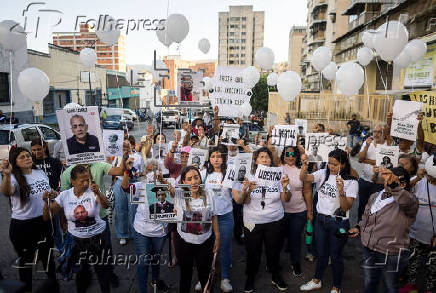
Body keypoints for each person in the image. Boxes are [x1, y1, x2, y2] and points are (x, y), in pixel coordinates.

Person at [348, 167, 418, 293]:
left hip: (391, 253)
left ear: (404, 184)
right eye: (386, 180)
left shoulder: (410, 201)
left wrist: (394, 186)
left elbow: (406, 201)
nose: (387, 183)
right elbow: (366, 217)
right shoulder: (375, 196)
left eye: (391, 181)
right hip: (368, 249)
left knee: (390, 286)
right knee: (370, 281)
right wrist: (359, 228)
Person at [43, 164, 111, 293]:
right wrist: (46, 203)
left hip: (98, 239)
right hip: (77, 241)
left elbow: (106, 205)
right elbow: (47, 216)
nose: (86, 183)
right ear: (73, 181)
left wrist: (98, 192)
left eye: (87, 180)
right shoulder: (65, 195)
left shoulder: (93, 192)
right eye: (82, 180)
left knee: (102, 272)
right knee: (81, 273)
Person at [232, 147, 291, 292]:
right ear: (256, 160)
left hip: (275, 220)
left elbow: (286, 199)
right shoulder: (249, 176)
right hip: (252, 222)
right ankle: (250, 277)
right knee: (253, 251)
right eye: (261, 156)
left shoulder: (279, 175)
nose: (264, 159)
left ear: (271, 160)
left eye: (267, 157)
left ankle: (275, 274)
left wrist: (285, 188)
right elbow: (242, 202)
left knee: (274, 251)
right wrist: (248, 190)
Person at [300, 149, 358, 293]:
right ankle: (316, 280)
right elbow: (304, 178)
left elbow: (346, 207)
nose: (331, 167)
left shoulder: (351, 181)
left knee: (336, 255)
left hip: (338, 223)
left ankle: (336, 286)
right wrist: (304, 165)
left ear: (343, 164)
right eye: (330, 163)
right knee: (322, 253)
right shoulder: (323, 173)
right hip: (320, 220)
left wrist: (341, 191)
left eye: (335, 164)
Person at [0, 148, 57, 292]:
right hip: (23, 227)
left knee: (48, 261)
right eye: (22, 157)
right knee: (26, 264)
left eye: (28, 156)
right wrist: (6, 176)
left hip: (44, 222)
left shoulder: (40, 172)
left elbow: (50, 191)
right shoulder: (12, 177)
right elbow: (7, 192)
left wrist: (56, 194)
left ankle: (54, 288)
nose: (27, 158)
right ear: (15, 162)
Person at [167, 166, 220, 293]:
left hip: (205, 242)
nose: (194, 182)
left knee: (205, 275)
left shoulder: (209, 193)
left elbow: (214, 216)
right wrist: (161, 180)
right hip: (184, 243)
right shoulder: (179, 194)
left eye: (196, 177)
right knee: (185, 275)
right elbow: (169, 190)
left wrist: (217, 237)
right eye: (189, 179)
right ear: (183, 182)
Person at [121, 159, 170, 293]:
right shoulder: (140, 185)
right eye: (148, 170)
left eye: (154, 169)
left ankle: (155, 280)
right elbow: (125, 188)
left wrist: (162, 181)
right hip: (141, 229)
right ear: (144, 172)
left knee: (156, 259)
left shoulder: (166, 184)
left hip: (159, 231)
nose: (151, 173)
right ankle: (143, 290)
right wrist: (127, 170)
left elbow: (174, 195)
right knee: (143, 263)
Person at [198, 146, 234, 292]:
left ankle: (225, 278)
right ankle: (204, 278)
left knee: (224, 248)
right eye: (213, 156)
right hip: (206, 217)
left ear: (223, 158)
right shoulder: (203, 173)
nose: (216, 159)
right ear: (209, 159)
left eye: (219, 156)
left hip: (225, 216)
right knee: (205, 249)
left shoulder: (229, 173)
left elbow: (237, 196)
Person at [402, 157, 436, 293]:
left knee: (433, 266)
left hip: (434, 238)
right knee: (413, 261)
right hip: (416, 233)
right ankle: (411, 286)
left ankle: (429, 288)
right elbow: (402, 191)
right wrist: (417, 178)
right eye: (430, 177)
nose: (431, 181)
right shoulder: (420, 181)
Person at [280, 146, 313, 277]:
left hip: (298, 211)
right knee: (277, 239)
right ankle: (273, 263)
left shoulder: (302, 170)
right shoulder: (277, 169)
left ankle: (295, 263)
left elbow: (307, 191)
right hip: (279, 212)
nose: (290, 156)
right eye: (287, 154)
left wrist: (310, 211)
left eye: (293, 154)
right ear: (283, 155)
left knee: (295, 239)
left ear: (297, 156)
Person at [113, 136, 143, 245]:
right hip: (120, 183)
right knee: (120, 210)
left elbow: (141, 173)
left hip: (133, 184)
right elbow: (115, 171)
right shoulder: (117, 156)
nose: (125, 147)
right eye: (123, 145)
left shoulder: (137, 157)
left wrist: (133, 170)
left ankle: (135, 233)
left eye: (127, 145)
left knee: (133, 210)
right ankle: (122, 234)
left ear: (131, 145)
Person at [357, 124, 388, 222]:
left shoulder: (388, 145)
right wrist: (366, 146)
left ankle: (372, 226)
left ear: (384, 134)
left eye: (379, 132)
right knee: (362, 204)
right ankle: (360, 224)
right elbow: (360, 159)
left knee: (376, 207)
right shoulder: (367, 143)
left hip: (380, 183)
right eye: (375, 131)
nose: (376, 134)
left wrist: (368, 161)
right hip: (365, 180)